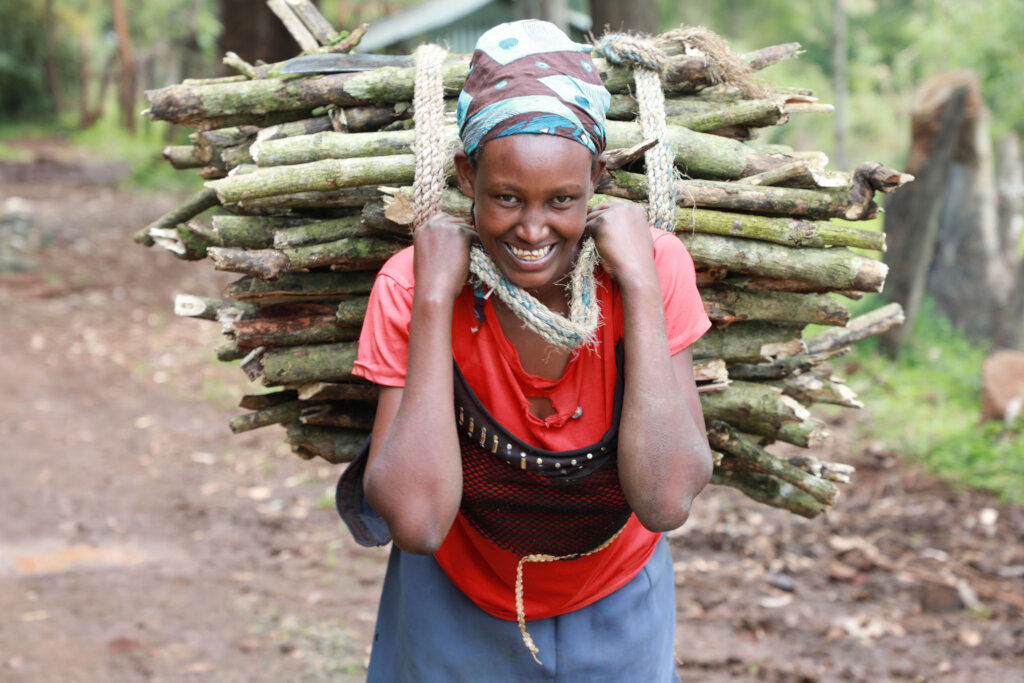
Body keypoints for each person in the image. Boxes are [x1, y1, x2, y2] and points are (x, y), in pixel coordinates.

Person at [336, 19, 713, 681]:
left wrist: (643, 284)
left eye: (563, 199)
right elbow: (418, 523)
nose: (533, 229)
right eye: (506, 197)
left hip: (620, 595)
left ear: (597, 178)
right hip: (453, 599)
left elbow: (665, 500)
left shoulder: (651, 269)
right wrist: (432, 300)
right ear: (466, 176)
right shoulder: (411, 285)